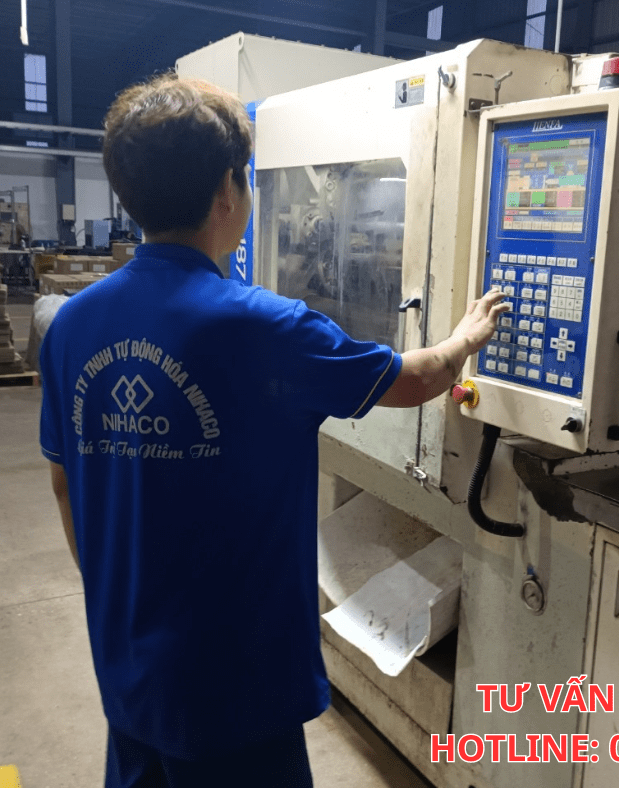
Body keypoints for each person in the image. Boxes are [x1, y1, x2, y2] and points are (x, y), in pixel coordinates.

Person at [40, 72, 506, 788]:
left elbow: (64, 484)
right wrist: (466, 338)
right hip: (236, 688)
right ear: (229, 193)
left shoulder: (73, 324)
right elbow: (413, 381)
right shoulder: (265, 328)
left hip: (128, 671)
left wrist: (118, 602)